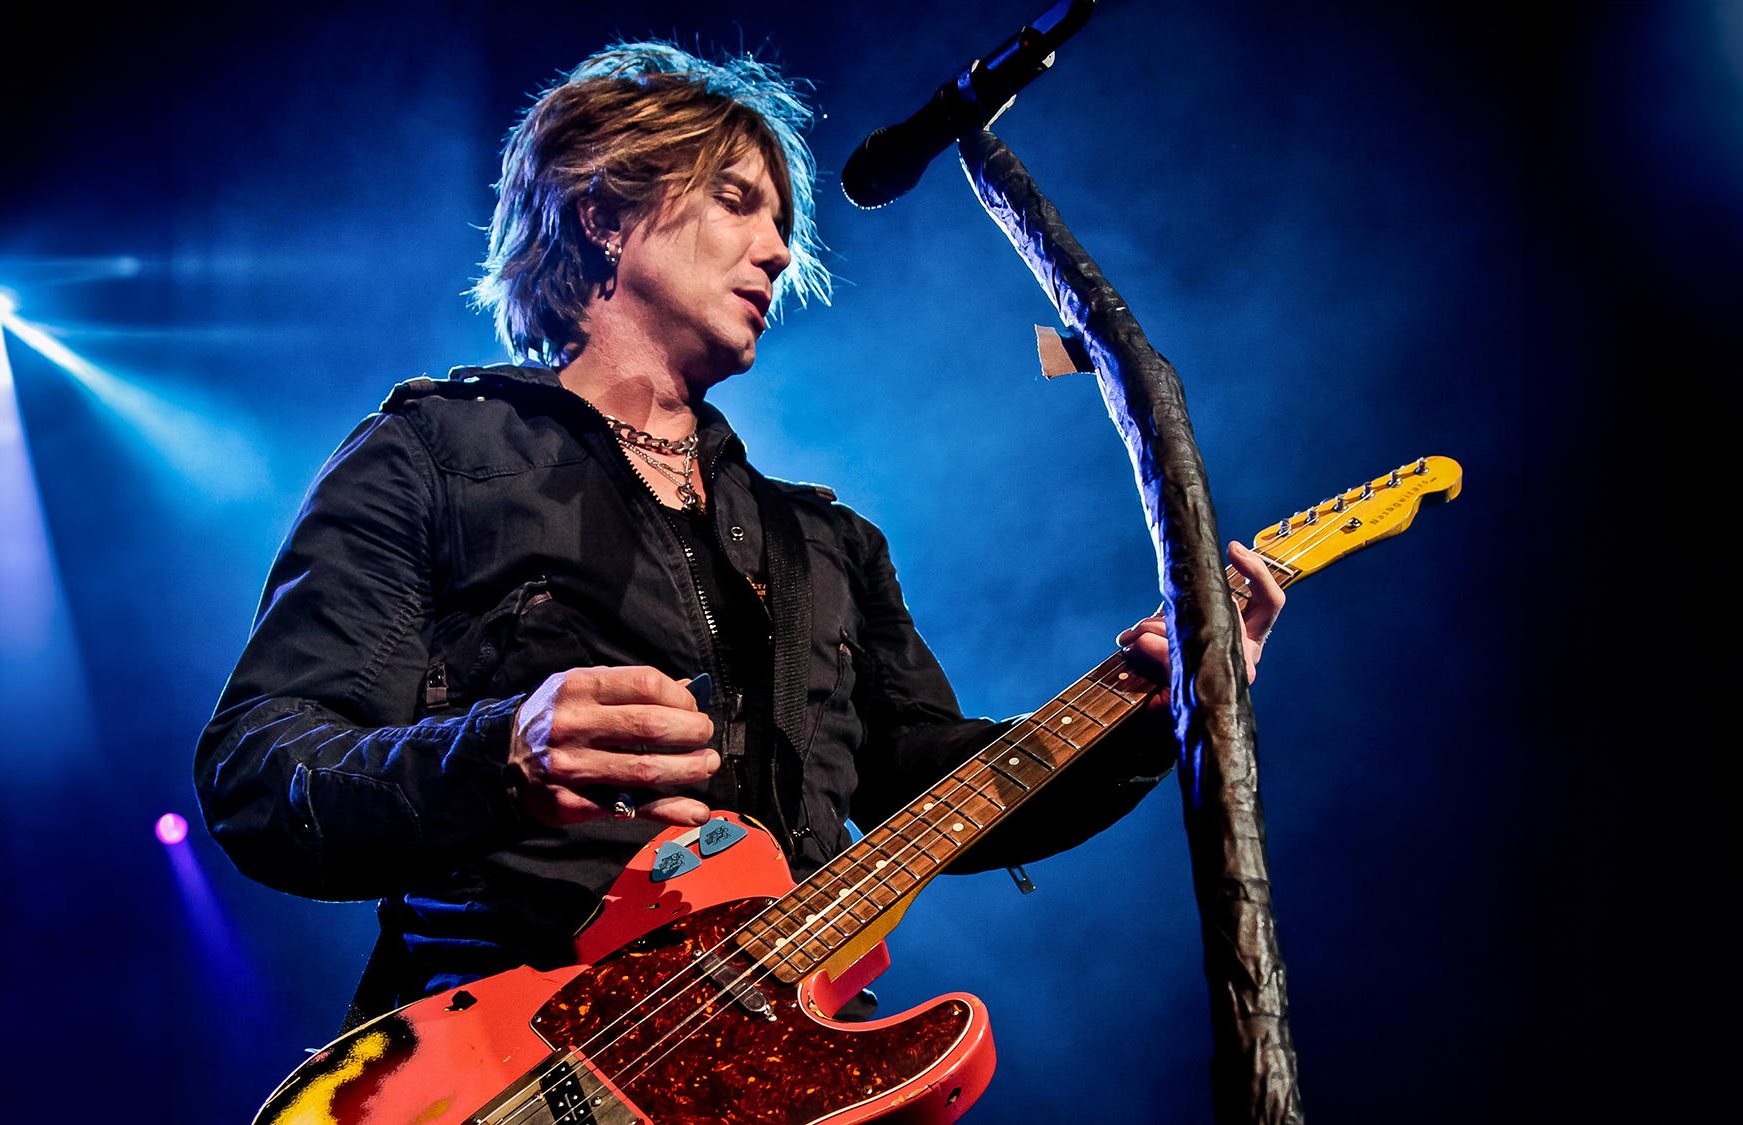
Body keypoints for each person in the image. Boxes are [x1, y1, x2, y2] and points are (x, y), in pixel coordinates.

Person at [194, 42, 1283, 1031]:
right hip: (510, 1067)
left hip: (770, 1069)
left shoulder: (823, 543)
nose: (774, 251)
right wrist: (498, 753)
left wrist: (1160, 709)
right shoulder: (431, 454)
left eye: (783, 227)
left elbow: (939, 791)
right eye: (734, 202)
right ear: (604, 213)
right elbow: (261, 769)